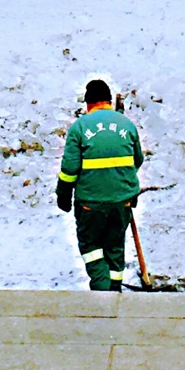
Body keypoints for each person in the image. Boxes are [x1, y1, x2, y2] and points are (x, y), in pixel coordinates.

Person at [55, 77, 142, 291]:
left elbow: (69, 170)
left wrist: (63, 197)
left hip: (90, 204)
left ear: (88, 103)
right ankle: (114, 291)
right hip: (122, 201)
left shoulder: (80, 128)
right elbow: (137, 159)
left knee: (92, 247)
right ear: (109, 101)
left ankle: (102, 292)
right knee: (115, 246)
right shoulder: (126, 125)